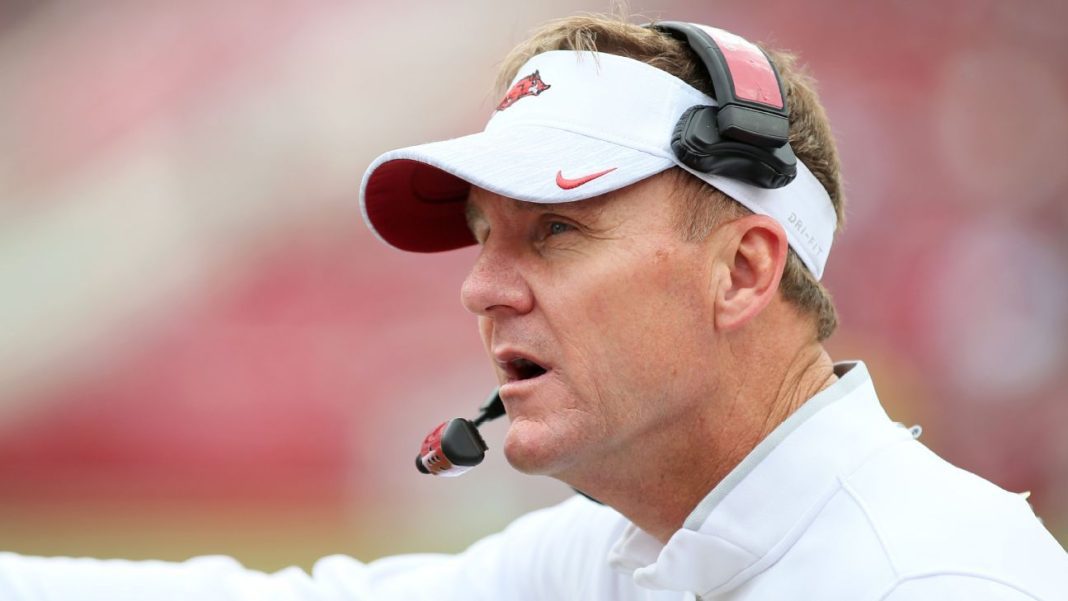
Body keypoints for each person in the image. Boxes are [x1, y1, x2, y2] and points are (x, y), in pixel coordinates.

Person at [2, 14, 1066, 601]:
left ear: (744, 272)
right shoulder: (624, 550)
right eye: (484, 235)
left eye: (556, 230)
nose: (480, 287)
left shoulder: (938, 579)